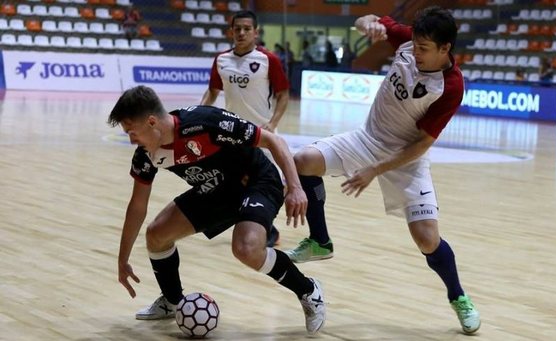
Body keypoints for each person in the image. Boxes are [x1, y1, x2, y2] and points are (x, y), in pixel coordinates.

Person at [285, 6, 480, 334]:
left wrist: (374, 170)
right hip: (366, 138)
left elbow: (421, 145)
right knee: (303, 160)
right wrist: (369, 25)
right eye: (414, 45)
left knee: (427, 239)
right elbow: (363, 22)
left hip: (406, 158)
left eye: (424, 49)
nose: (415, 52)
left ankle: (458, 296)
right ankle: (320, 241)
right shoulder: (408, 41)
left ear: (445, 49)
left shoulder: (450, 86)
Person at [109, 86, 325, 335]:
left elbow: (273, 140)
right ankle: (171, 300)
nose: (131, 140)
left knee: (246, 248)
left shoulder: (206, 123)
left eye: (132, 132)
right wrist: (122, 259)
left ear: (151, 122)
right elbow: (137, 206)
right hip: (215, 190)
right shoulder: (145, 156)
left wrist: (296, 187)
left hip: (256, 182)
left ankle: (308, 290)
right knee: (156, 234)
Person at [200, 10, 291, 247]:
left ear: (256, 32)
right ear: (231, 31)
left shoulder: (268, 59)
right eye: (237, 29)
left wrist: (273, 123)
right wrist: (197, 116)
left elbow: (283, 95)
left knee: (275, 183)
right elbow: (212, 92)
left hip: (264, 134)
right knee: (239, 181)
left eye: (246, 29)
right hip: (232, 135)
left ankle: (264, 223)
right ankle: (261, 227)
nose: (241, 33)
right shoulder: (221, 59)